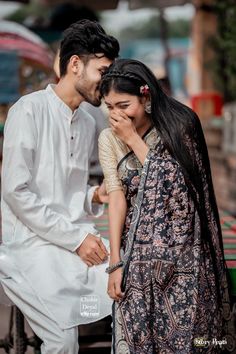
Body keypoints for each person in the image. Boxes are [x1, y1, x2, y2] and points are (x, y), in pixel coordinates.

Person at [0, 20, 119, 354]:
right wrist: (77, 239)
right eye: (103, 71)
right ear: (75, 65)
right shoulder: (29, 110)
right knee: (63, 340)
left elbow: (64, 197)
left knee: (129, 288)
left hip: (70, 243)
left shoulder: (85, 122)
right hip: (28, 248)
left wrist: (94, 195)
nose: (107, 82)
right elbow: (16, 192)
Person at [98, 59, 232, 353]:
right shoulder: (108, 139)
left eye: (124, 105)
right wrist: (115, 263)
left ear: (145, 97)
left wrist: (133, 140)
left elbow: (181, 195)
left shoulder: (179, 126)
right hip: (138, 258)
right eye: (109, 107)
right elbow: (117, 196)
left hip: (186, 256)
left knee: (191, 341)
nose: (116, 115)